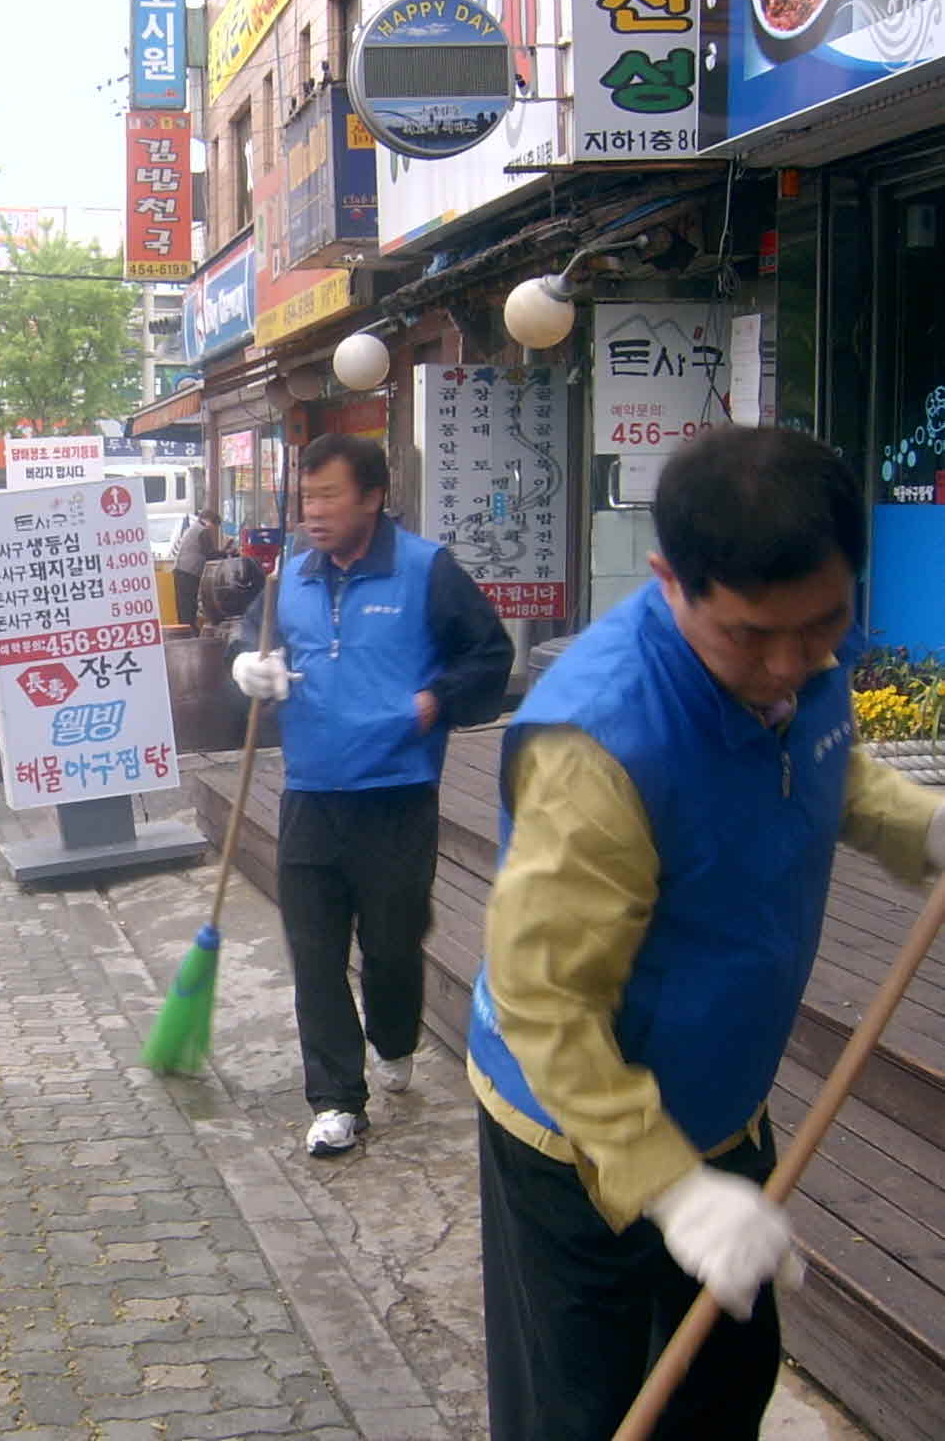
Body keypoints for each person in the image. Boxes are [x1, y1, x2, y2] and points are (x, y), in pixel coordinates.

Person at [468, 427, 945, 1439]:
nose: (787, 666)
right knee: (580, 1412)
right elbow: (543, 1003)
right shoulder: (597, 748)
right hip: (574, 1128)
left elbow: (819, 762)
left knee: (720, 1393)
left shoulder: (799, 652)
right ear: (667, 580)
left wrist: (923, 827)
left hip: (718, 1100)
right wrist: (673, 1192)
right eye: (748, 636)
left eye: (819, 625)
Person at [233, 433, 512, 1157]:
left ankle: (393, 1036)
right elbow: (254, 635)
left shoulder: (426, 570)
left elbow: (489, 654)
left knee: (390, 945)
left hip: (396, 793)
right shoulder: (289, 579)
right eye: (306, 497)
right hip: (309, 793)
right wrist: (248, 666)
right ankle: (335, 1099)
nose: (313, 512)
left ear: (372, 497)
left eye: (329, 496)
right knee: (314, 953)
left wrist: (433, 702)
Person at [171, 509, 224, 629]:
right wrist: (225, 553)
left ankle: (186, 630)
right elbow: (209, 554)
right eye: (215, 526)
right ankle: (189, 631)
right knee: (189, 605)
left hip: (181, 570)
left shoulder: (194, 528)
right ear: (210, 521)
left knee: (184, 605)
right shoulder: (202, 531)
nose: (213, 529)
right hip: (189, 572)